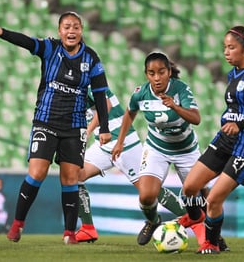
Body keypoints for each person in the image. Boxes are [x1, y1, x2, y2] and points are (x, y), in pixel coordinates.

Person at [0, 11, 111, 244]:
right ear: (59, 31)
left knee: (71, 178)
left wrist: (104, 127)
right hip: (46, 121)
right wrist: (3, 33)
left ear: (81, 30)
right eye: (66, 27)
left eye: (75, 27)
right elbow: (27, 42)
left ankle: (69, 234)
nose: (71, 31)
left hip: (74, 127)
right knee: (37, 172)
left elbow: (101, 94)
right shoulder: (50, 48)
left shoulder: (92, 58)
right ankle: (17, 225)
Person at [180, 24, 244, 254]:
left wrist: (241, 124)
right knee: (190, 187)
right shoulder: (233, 74)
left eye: (231, 47)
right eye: (224, 47)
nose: (226, 52)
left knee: (214, 199)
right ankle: (198, 220)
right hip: (225, 139)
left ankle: (212, 243)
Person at [111, 52, 203, 246]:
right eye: (152, 73)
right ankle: (153, 221)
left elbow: (196, 118)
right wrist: (119, 142)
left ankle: (213, 238)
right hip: (157, 148)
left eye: (161, 72)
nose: (157, 77)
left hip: (186, 151)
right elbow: (129, 113)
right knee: (146, 196)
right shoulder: (140, 93)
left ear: (169, 72)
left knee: (200, 199)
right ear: (146, 75)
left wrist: (176, 107)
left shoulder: (181, 89)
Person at [76, 87, 191, 243]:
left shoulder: (90, 80)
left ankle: (198, 222)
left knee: (150, 191)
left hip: (123, 143)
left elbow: (106, 104)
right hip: (102, 145)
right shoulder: (71, 85)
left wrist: (87, 131)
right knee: (75, 175)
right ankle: (88, 229)